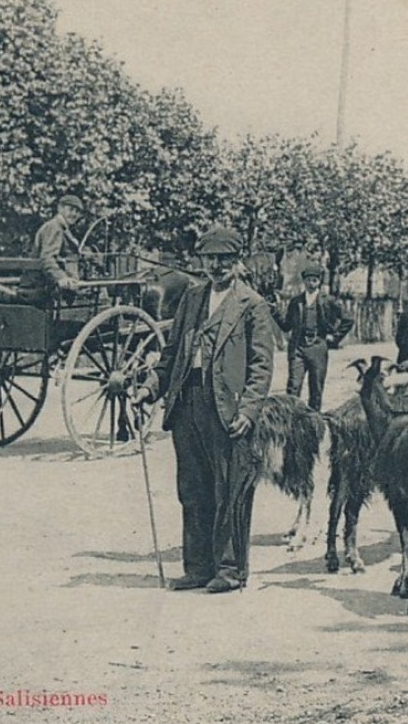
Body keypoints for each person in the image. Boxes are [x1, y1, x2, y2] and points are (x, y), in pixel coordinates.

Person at [133, 225, 275, 594]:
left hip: (228, 410)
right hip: (187, 404)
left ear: (236, 261)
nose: (217, 266)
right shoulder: (192, 299)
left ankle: (229, 570)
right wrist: (150, 387)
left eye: (224, 259)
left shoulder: (252, 304)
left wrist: (249, 410)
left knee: (230, 489)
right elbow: (170, 354)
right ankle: (196, 568)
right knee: (193, 489)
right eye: (210, 259)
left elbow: (262, 365)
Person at [272, 261, 352, 411]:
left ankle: (313, 424)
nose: (311, 283)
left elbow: (348, 319)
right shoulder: (296, 302)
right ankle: (291, 421)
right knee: (293, 387)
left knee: (316, 389)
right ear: (304, 281)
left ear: (319, 281)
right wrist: (274, 312)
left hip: (318, 348)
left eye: (314, 280)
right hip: (298, 348)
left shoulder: (328, 301)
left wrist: (334, 338)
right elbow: (286, 325)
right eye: (308, 280)